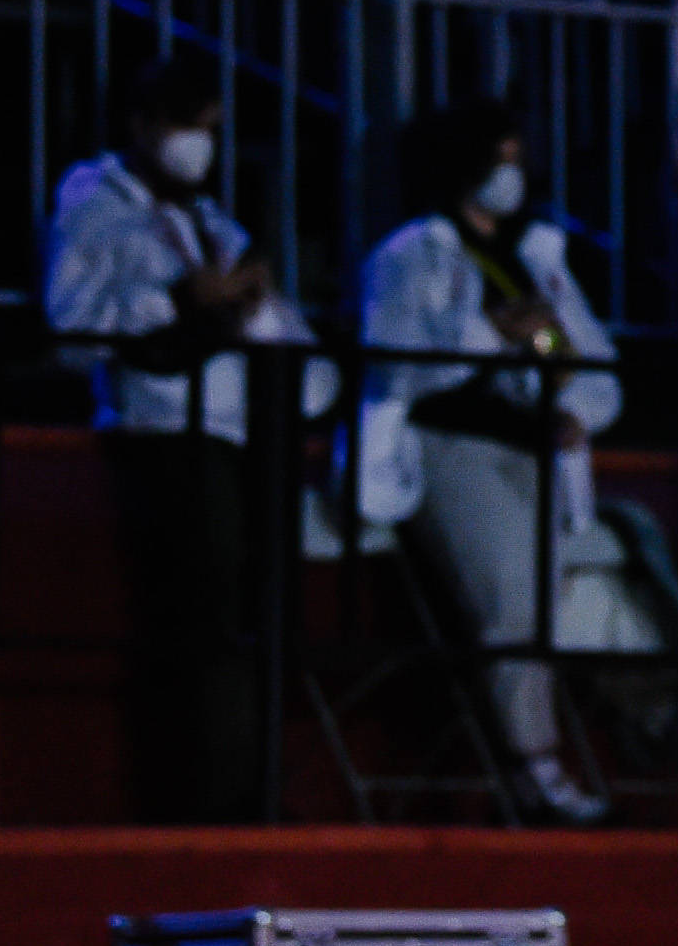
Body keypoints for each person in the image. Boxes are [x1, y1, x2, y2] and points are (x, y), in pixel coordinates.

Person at [41, 53, 330, 820]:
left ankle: (252, 790)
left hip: (244, 430)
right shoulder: (92, 204)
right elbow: (72, 324)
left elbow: (279, 323)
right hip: (165, 427)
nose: (197, 145)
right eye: (184, 127)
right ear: (140, 125)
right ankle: (205, 800)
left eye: (209, 131)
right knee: (204, 615)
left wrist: (255, 306)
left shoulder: (212, 221)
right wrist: (177, 299)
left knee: (254, 612)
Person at [356, 100, 630, 824]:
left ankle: (541, 764)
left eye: (516, 159)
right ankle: (533, 770)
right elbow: (398, 369)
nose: (510, 175)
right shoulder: (410, 253)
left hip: (534, 449)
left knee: (547, 603)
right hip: (450, 448)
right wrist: (487, 332)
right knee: (512, 601)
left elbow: (596, 363)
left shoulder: (538, 256)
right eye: (496, 159)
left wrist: (581, 409)